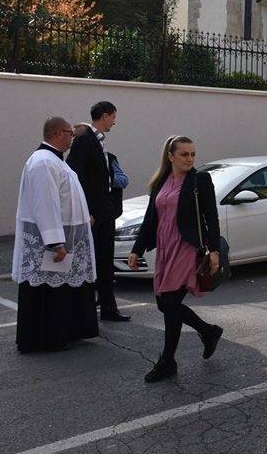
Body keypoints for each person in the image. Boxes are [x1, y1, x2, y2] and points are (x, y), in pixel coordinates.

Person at [128, 136, 223, 383]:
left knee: (170, 302)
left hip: (186, 247)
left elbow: (211, 216)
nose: (190, 159)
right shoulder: (161, 181)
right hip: (165, 248)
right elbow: (150, 219)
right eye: (184, 154)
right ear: (171, 156)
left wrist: (214, 251)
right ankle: (208, 331)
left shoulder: (200, 180)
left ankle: (167, 361)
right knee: (165, 304)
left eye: (193, 154)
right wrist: (137, 249)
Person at [13, 117, 99, 353]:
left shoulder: (54, 160)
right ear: (57, 133)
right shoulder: (43, 161)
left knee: (61, 291)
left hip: (65, 236)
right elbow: (45, 204)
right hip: (51, 241)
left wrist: (84, 215)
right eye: (70, 133)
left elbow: (66, 197)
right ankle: (49, 338)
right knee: (50, 292)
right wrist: (56, 242)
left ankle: (65, 333)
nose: (72, 138)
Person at [66, 100, 129, 322]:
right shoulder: (84, 140)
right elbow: (76, 176)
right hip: (93, 214)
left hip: (104, 212)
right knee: (90, 262)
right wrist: (86, 211)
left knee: (105, 261)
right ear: (105, 116)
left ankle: (108, 308)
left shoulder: (98, 140)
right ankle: (86, 313)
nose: (114, 122)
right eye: (113, 117)